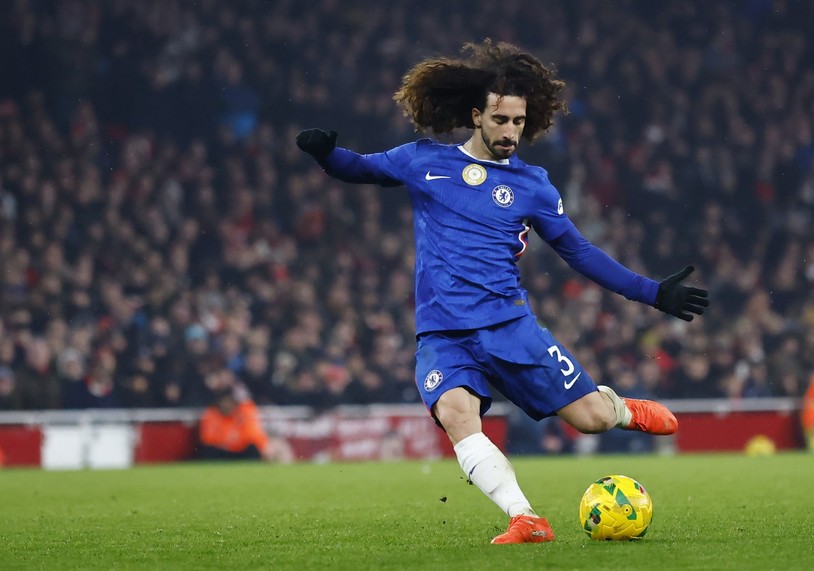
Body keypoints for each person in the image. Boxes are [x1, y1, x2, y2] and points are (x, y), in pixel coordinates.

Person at [295, 39, 708, 544]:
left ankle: (622, 409)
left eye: (518, 121)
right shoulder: (422, 161)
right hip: (443, 333)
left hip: (511, 327)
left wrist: (652, 293)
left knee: (591, 420)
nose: (511, 132)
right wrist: (325, 153)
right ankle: (525, 517)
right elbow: (356, 167)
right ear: (477, 116)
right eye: (501, 121)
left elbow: (579, 253)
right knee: (455, 414)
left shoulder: (534, 186)